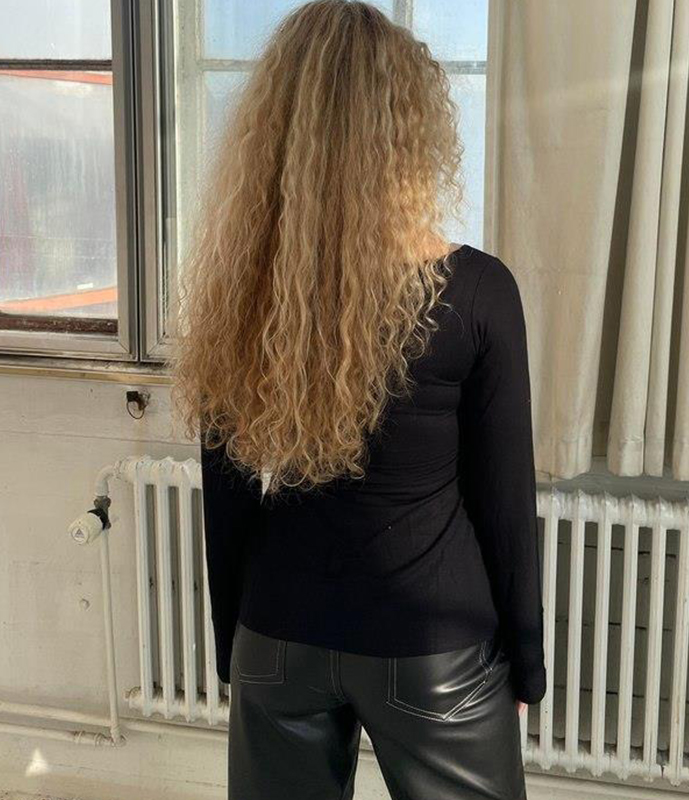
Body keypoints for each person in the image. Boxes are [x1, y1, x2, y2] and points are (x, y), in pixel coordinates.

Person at [170, 2, 545, 798]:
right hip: (433, 645)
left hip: (277, 635)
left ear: (276, 133)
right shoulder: (478, 292)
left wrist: (237, 645)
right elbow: (505, 500)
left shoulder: (242, 295)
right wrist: (527, 662)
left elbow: (225, 495)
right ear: (411, 129)